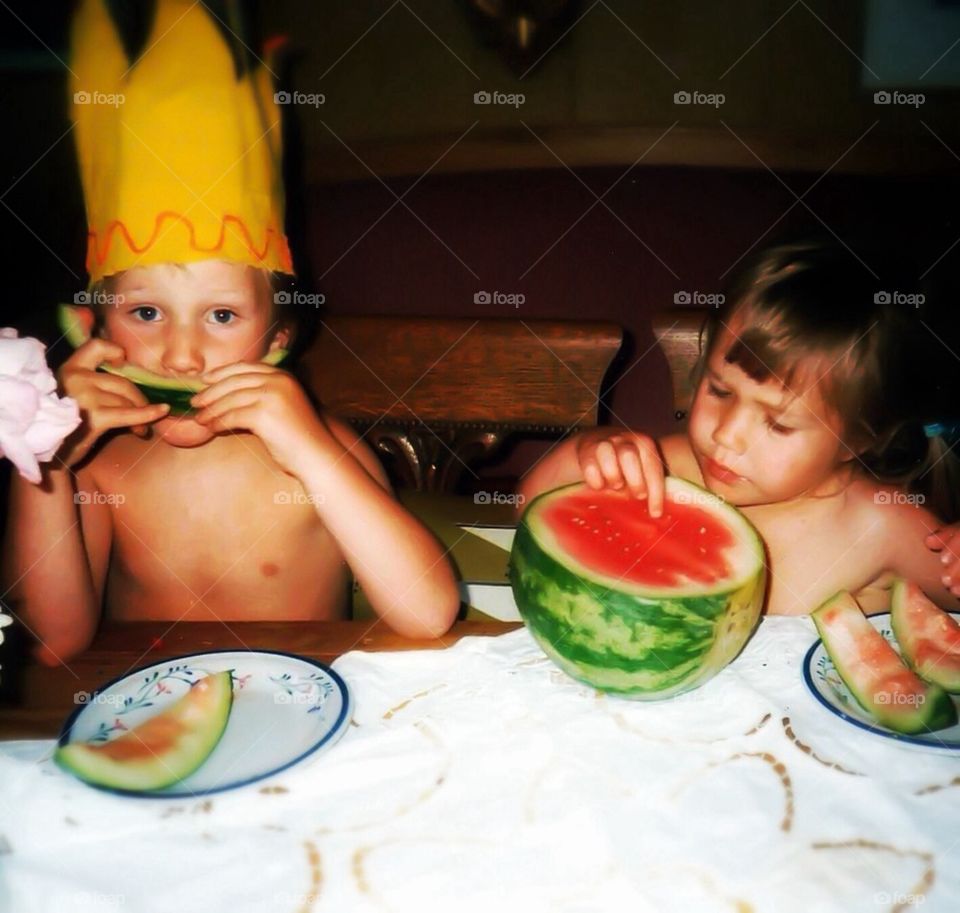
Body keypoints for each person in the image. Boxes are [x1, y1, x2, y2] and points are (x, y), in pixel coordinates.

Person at [1, 0, 459, 665]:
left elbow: (427, 612)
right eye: (146, 313)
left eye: (221, 315)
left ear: (277, 341)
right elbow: (52, 643)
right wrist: (42, 460)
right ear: (95, 331)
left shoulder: (316, 445)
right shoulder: (97, 464)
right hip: (149, 725)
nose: (182, 355)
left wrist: (307, 450)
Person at [519, 239, 960, 616]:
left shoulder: (883, 526)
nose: (727, 435)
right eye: (719, 390)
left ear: (858, 440)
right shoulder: (665, 468)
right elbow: (529, 504)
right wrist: (592, 449)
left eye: (778, 424)